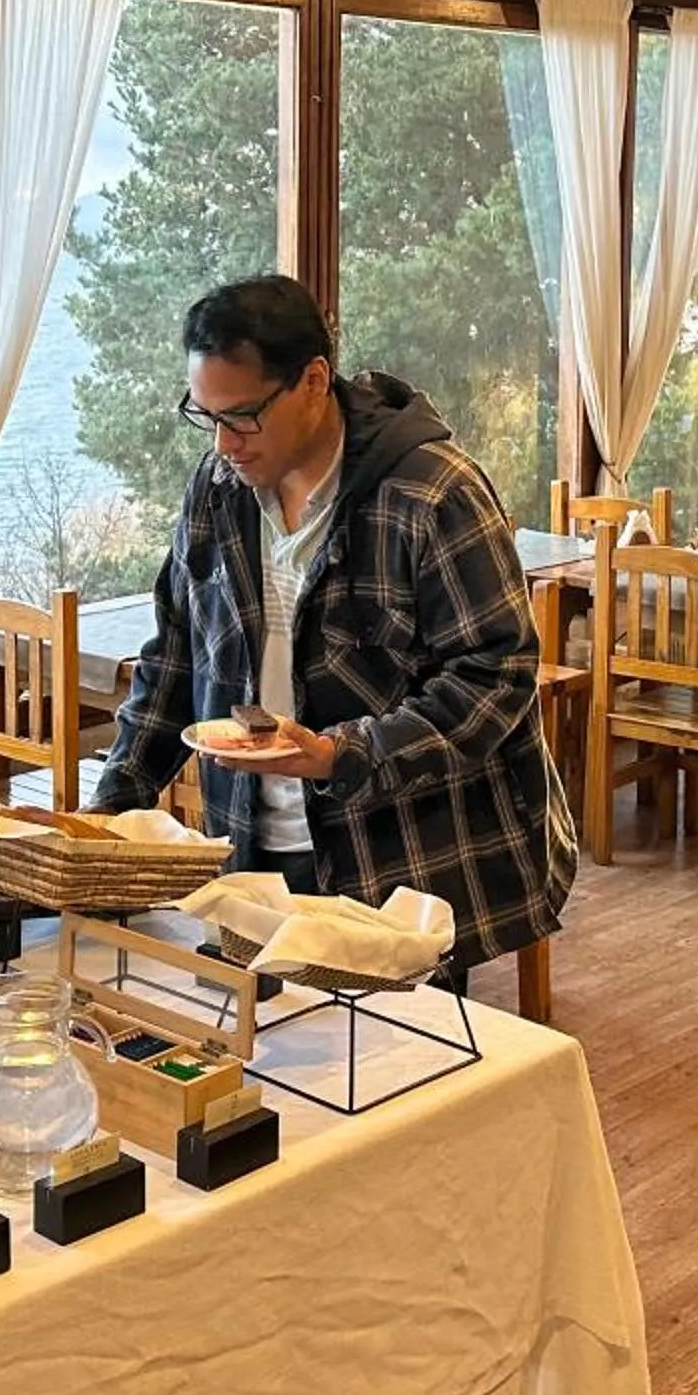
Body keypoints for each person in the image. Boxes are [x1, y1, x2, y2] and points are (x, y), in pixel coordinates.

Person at [90, 274, 575, 971]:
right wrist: (108, 816)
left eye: (243, 416)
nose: (225, 443)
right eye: (207, 417)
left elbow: (495, 676)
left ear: (314, 380)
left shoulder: (432, 493)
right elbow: (176, 656)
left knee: (400, 1075)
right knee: (257, 1065)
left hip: (403, 862)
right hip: (251, 852)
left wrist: (342, 756)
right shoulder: (218, 489)